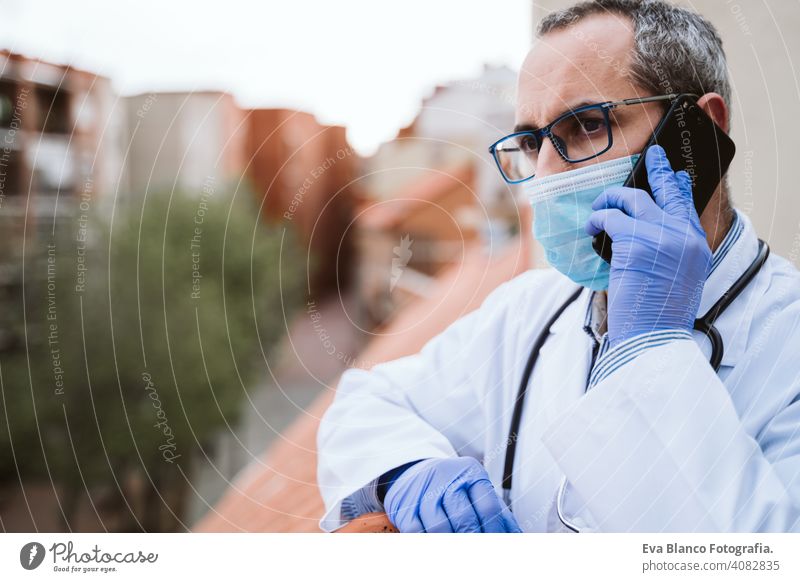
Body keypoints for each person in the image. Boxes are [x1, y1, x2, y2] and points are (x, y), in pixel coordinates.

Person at [317, 0, 800, 533]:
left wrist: (652, 351)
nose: (545, 174)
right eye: (530, 142)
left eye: (588, 125)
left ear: (699, 133)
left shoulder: (786, 339)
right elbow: (369, 402)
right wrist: (407, 471)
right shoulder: (531, 311)